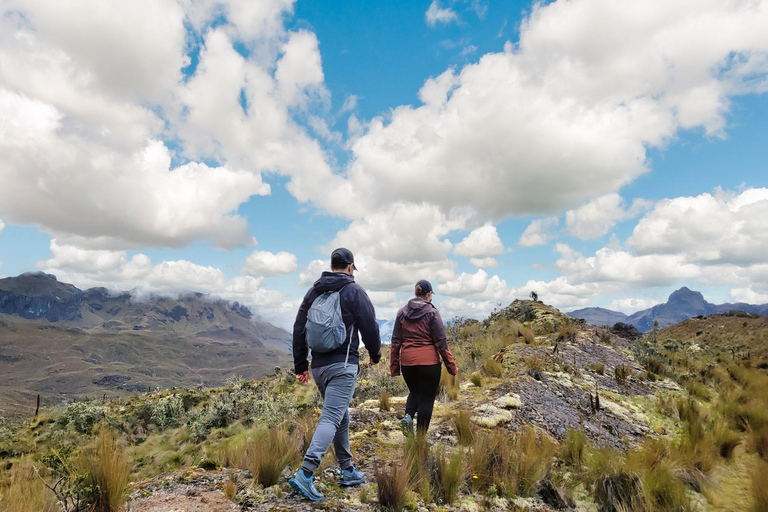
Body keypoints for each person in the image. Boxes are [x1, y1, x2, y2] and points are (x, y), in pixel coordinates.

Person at [289, 248, 382, 502]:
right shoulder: (354, 291)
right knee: (331, 416)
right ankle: (306, 473)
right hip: (343, 366)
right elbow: (370, 325)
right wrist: (375, 354)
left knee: (340, 416)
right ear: (350, 267)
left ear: (332, 266)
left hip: (319, 368)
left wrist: (301, 365)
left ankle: (348, 470)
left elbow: (299, 327)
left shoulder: (314, 291)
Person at [390, 279, 458, 437]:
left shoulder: (401, 313)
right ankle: (420, 439)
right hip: (429, 363)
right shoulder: (432, 313)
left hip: (407, 363)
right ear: (428, 294)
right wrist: (451, 367)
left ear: (415, 293)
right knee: (427, 399)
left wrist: (394, 367)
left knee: (414, 392)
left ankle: (408, 416)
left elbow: (395, 342)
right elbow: (441, 343)